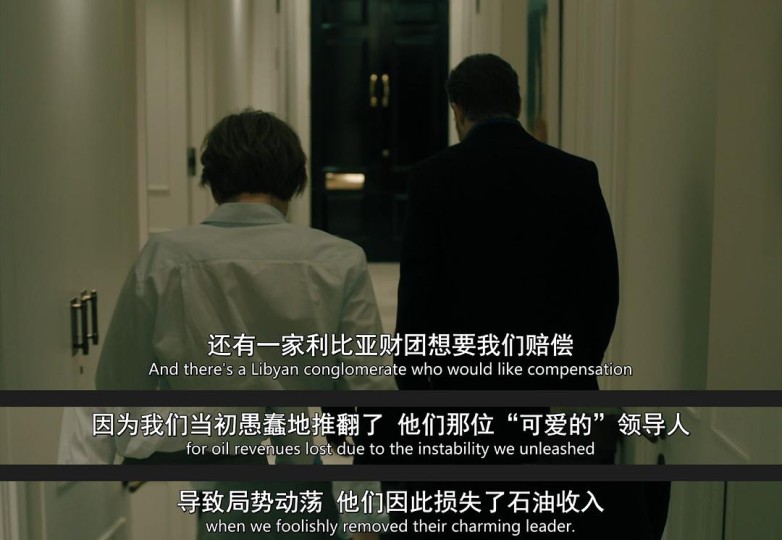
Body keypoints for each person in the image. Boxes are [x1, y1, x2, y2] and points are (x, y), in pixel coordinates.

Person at [60, 110, 394, 540]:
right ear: (294, 182)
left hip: (198, 480)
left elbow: (118, 385)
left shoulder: (164, 258)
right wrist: (367, 517)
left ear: (213, 183)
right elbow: (370, 397)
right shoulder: (340, 260)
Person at [386, 54, 666, 539]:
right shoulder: (575, 174)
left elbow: (418, 297)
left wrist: (414, 389)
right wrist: (575, 369)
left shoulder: (433, 177)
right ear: (517, 103)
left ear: (457, 110)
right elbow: (603, 288)